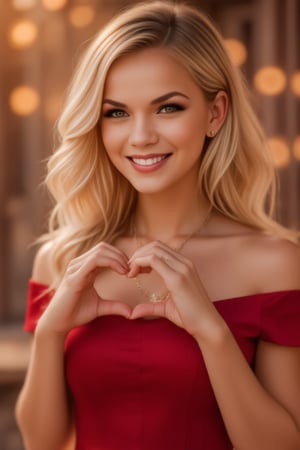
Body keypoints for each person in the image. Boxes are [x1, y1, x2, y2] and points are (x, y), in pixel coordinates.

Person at [15, 1, 300, 450]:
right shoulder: (62, 259)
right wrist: (52, 331)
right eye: (116, 113)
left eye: (168, 108)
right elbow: (43, 442)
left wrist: (210, 329)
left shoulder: (274, 263)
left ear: (215, 113)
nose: (141, 136)